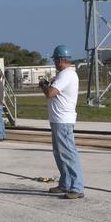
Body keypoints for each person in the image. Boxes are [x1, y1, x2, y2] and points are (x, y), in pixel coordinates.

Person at [39, 45, 83, 199]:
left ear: (60, 60)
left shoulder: (67, 75)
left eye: (55, 60)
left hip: (63, 121)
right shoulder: (63, 74)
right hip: (58, 120)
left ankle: (77, 187)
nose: (54, 63)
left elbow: (50, 93)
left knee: (68, 154)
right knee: (59, 154)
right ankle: (65, 184)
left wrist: (44, 85)